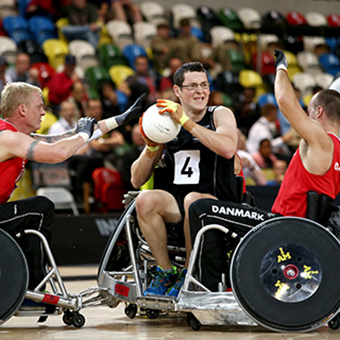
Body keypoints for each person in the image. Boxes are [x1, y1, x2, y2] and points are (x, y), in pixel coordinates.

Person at [188, 49, 340, 292]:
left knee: (200, 208)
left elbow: (285, 102)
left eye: (310, 111)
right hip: (304, 232)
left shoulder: (321, 139)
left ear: (319, 112)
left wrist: (281, 68)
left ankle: (210, 287)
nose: (307, 117)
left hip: (281, 225)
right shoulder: (337, 150)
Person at [0, 82, 144, 291]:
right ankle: (32, 288)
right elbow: (57, 154)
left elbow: (62, 140)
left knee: (35, 212)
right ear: (22, 109)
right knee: (39, 209)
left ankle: (24, 285)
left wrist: (118, 121)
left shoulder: (15, 135)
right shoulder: (7, 137)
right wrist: (83, 134)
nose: (43, 112)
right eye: (39, 106)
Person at [131, 61, 241, 297]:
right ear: (177, 91)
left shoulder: (219, 114)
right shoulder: (166, 123)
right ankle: (166, 272)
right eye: (192, 86)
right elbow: (136, 179)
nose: (200, 91)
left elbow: (228, 148)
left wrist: (187, 123)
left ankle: (191, 275)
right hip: (179, 202)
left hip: (216, 202)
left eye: (204, 85)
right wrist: (152, 147)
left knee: (194, 200)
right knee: (144, 200)